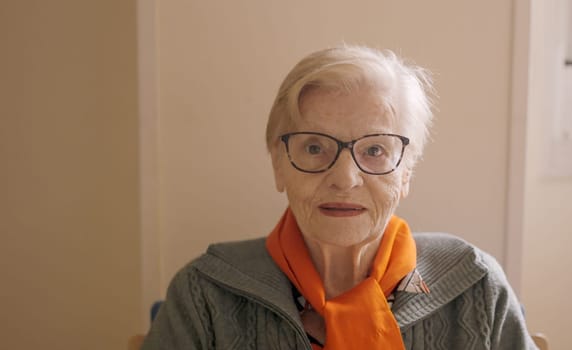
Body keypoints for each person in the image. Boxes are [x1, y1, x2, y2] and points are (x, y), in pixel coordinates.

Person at [141, 45, 537, 350]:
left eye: (375, 150)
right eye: (314, 148)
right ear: (279, 166)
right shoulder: (205, 293)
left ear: (407, 173)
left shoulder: (475, 283)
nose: (345, 179)